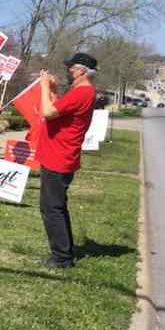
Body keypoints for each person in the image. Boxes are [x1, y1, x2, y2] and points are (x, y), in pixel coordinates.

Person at [36, 52, 98, 269]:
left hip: (59, 157)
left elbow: (48, 111)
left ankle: (62, 258)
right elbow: (59, 108)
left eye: (72, 68)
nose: (69, 71)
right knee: (55, 206)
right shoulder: (80, 92)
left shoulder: (82, 92)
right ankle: (63, 252)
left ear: (82, 71)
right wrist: (52, 89)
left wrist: (44, 86)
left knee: (52, 208)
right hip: (58, 155)